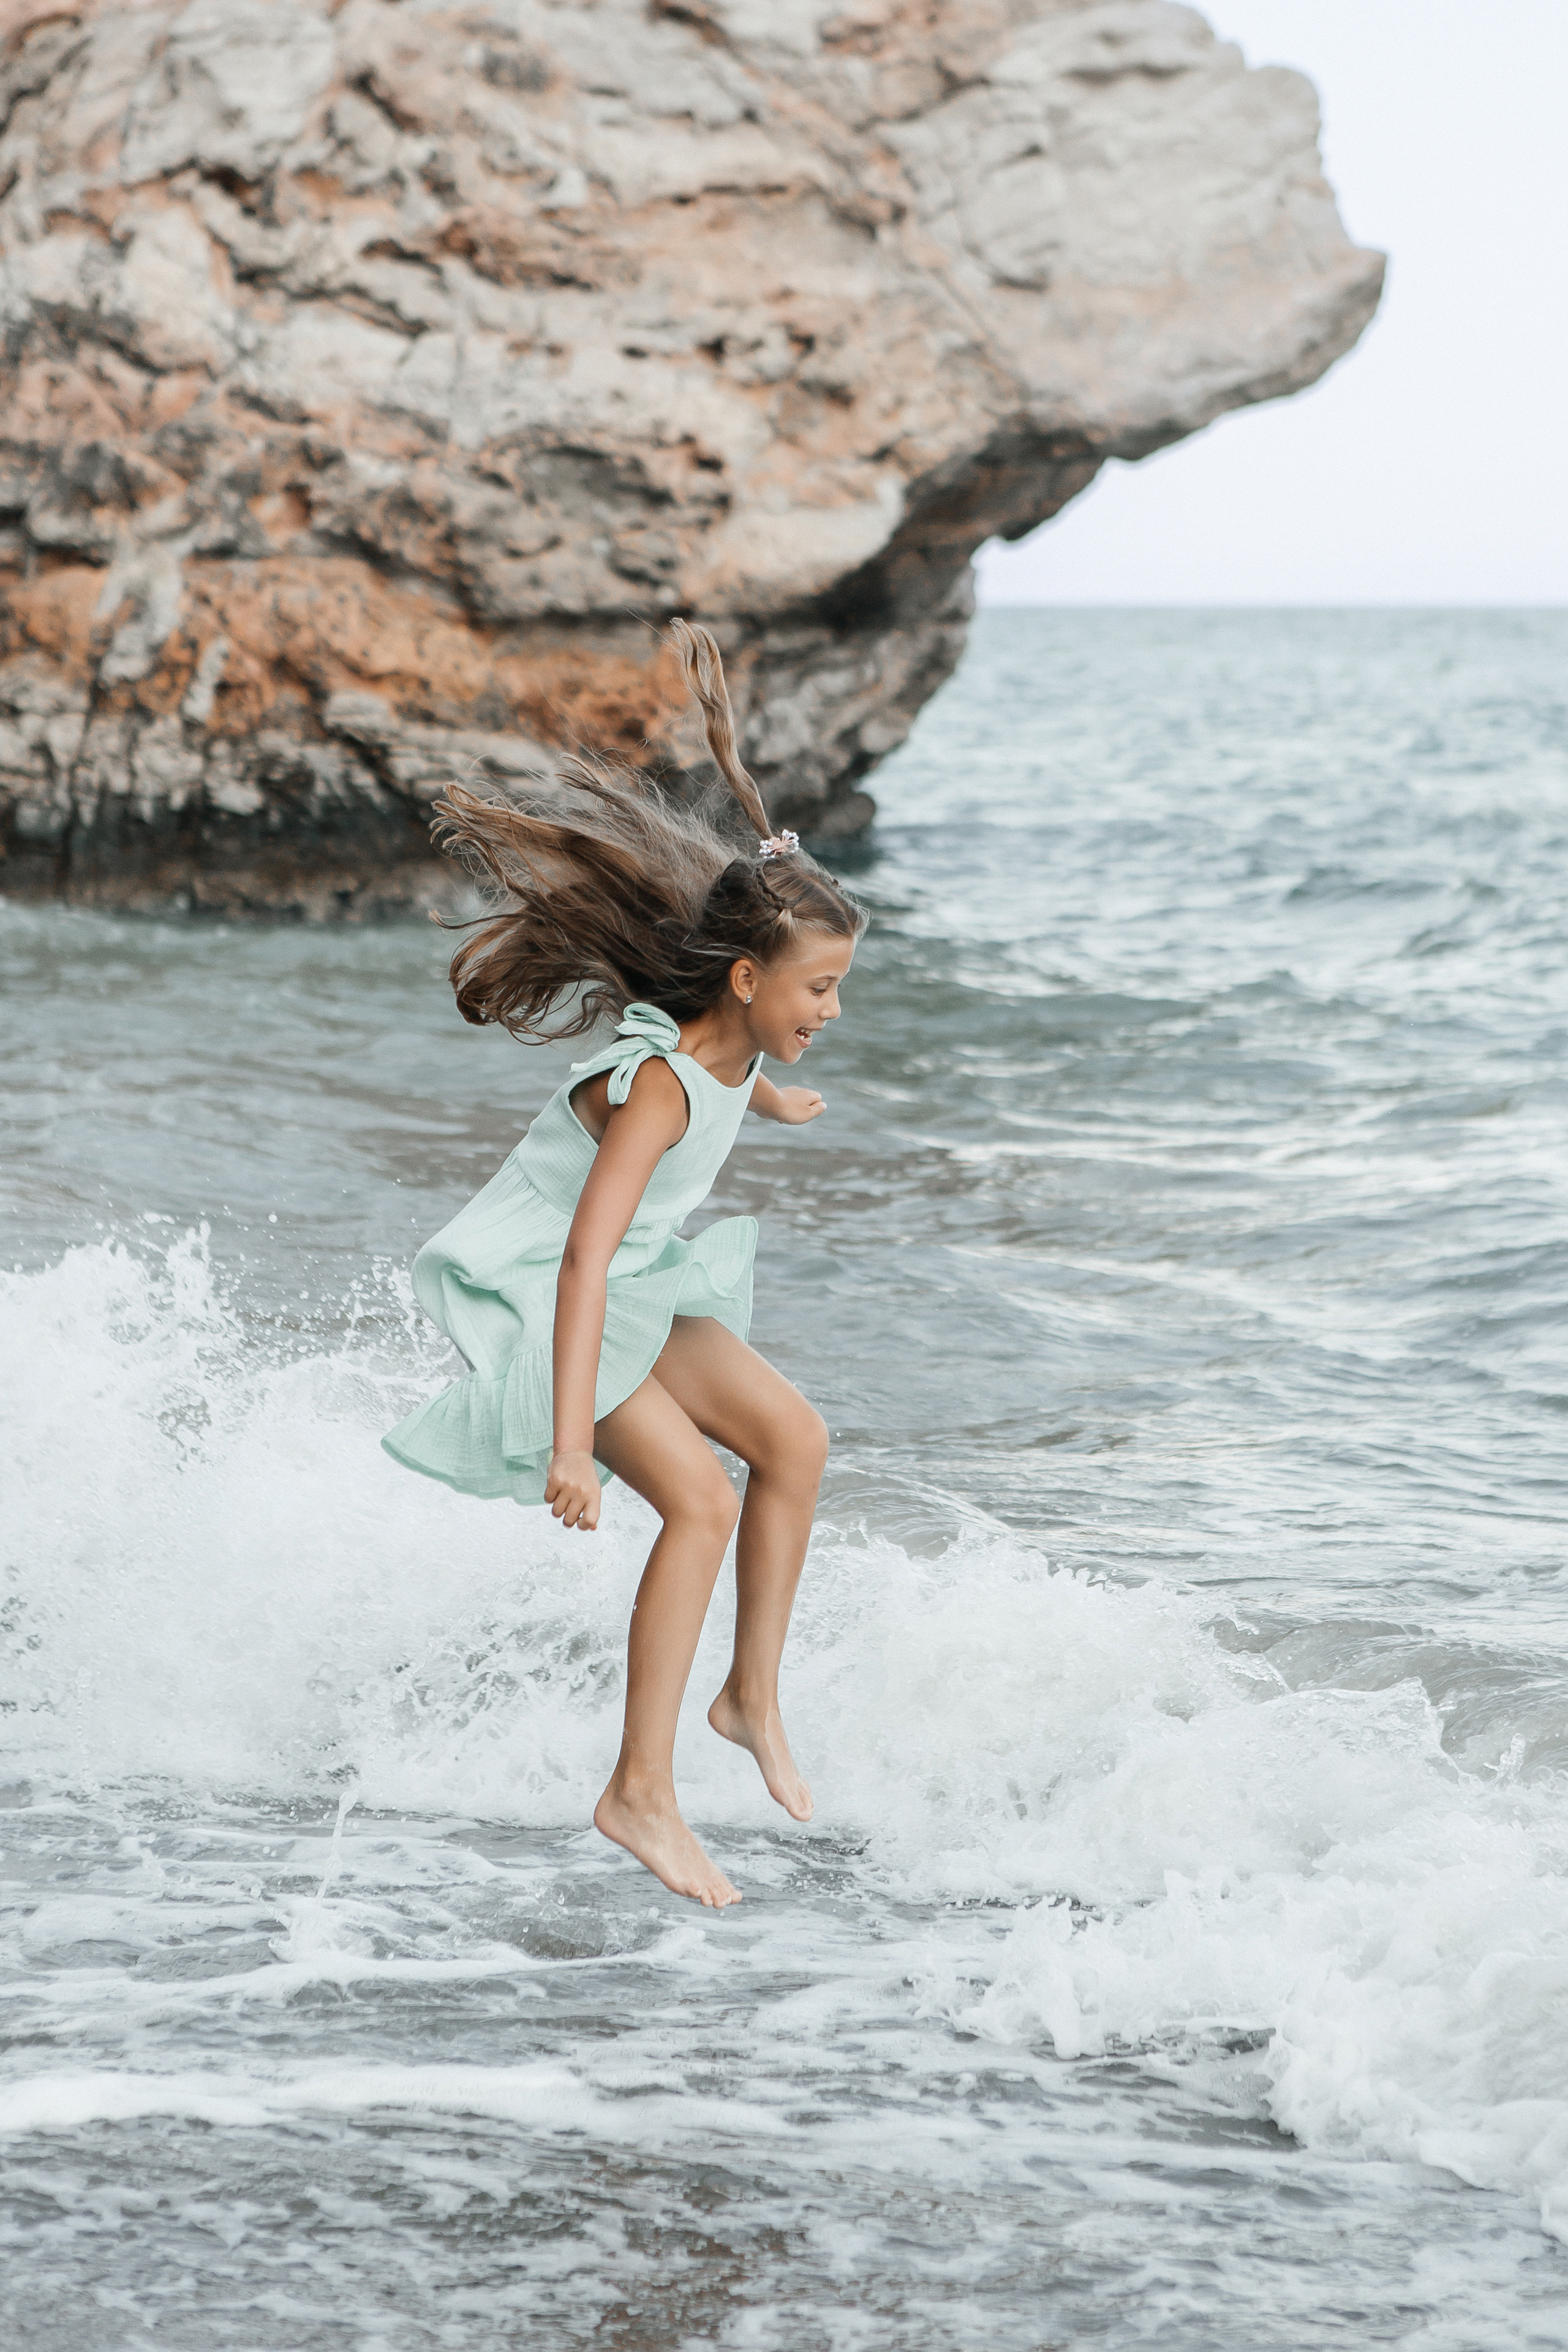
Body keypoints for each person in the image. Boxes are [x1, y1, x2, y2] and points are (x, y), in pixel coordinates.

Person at [383, 622, 865, 1907]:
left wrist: (770, 1105)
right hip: (556, 1294)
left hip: (637, 1273)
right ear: (751, 975)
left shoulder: (732, 1050)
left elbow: (730, 1074)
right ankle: (635, 1792)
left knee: (796, 1442)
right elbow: (585, 1256)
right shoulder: (653, 1084)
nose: (827, 1013)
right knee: (700, 1503)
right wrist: (560, 1443)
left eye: (836, 992)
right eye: (817, 989)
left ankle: (746, 1697)